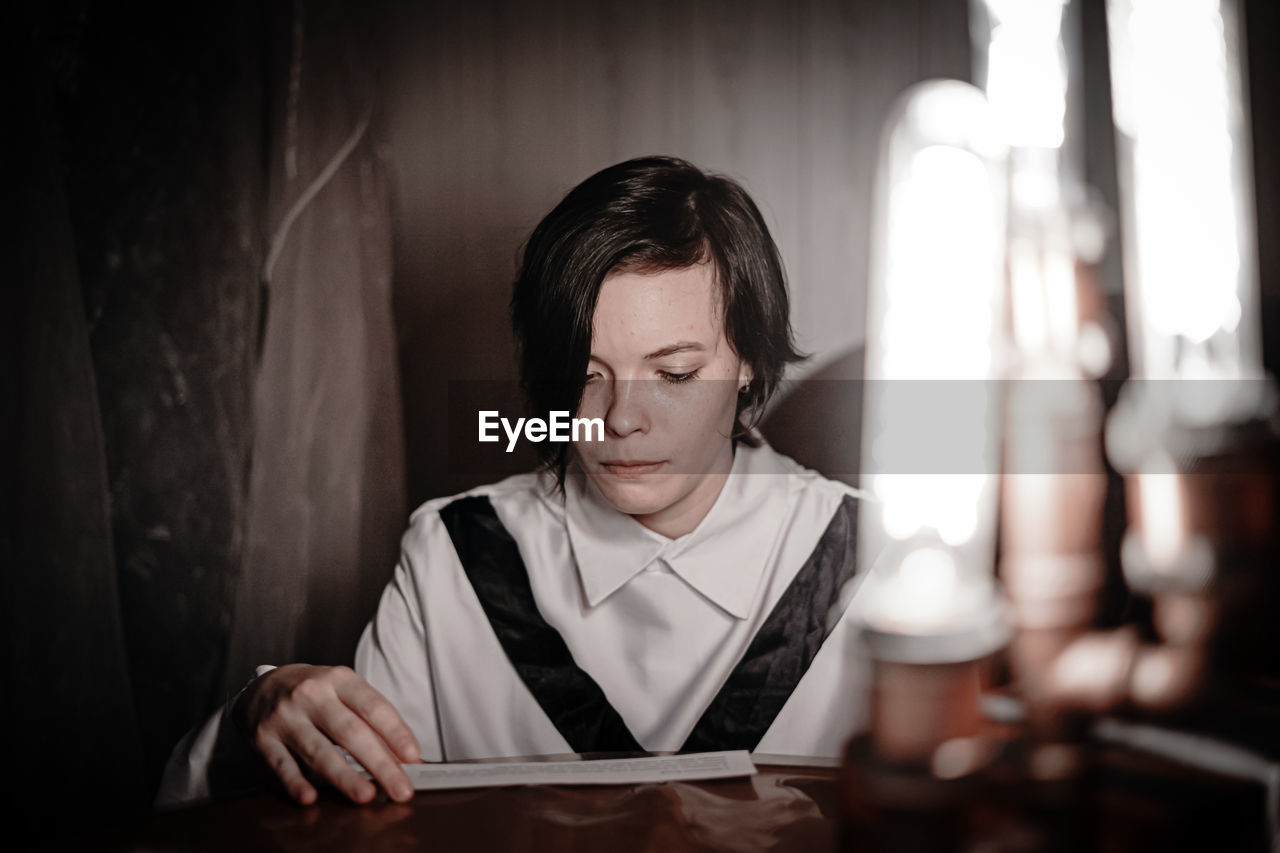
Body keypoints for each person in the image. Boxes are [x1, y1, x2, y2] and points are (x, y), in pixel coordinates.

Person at [156, 156, 870, 809]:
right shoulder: (455, 557)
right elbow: (337, 812)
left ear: (748, 360)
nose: (620, 419)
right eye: (585, 375)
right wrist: (254, 718)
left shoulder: (878, 565)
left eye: (674, 373)